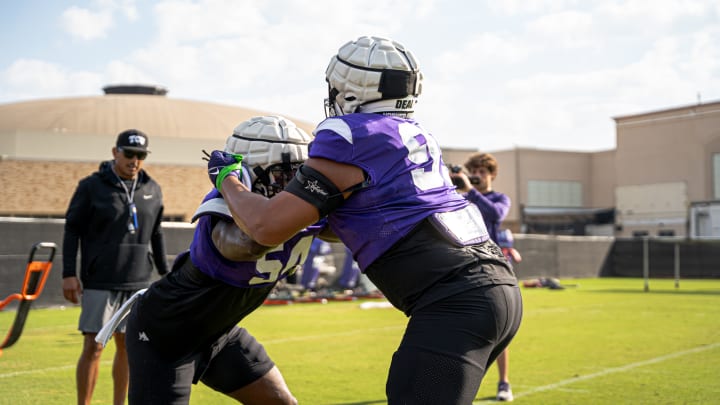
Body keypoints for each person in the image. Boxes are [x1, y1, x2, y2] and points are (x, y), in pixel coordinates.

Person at [207, 35, 523, 404]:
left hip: (455, 301)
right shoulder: (415, 135)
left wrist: (226, 178)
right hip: (494, 287)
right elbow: (360, 223)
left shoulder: (350, 135)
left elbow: (264, 227)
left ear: (352, 92)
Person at [124, 115, 324, 404]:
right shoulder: (223, 204)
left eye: (299, 173)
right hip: (165, 335)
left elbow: (346, 229)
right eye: (283, 174)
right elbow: (248, 244)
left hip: (220, 334)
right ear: (251, 172)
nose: (293, 184)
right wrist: (229, 182)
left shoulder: (292, 209)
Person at [62, 129, 169, 405]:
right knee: (94, 346)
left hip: (138, 281)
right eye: (129, 154)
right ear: (115, 153)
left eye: (141, 155)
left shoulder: (152, 188)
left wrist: (166, 274)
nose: (134, 160)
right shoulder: (91, 186)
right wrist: (68, 274)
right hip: (100, 279)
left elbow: (156, 233)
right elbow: (72, 230)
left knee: (129, 347)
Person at [449, 152, 515, 401]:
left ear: (492, 174)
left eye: (482, 172)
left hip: (495, 269)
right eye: (473, 171)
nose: (477, 176)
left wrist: (471, 191)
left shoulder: (499, 198)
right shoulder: (463, 198)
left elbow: (496, 215)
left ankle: (504, 382)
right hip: (467, 266)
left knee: (499, 329)